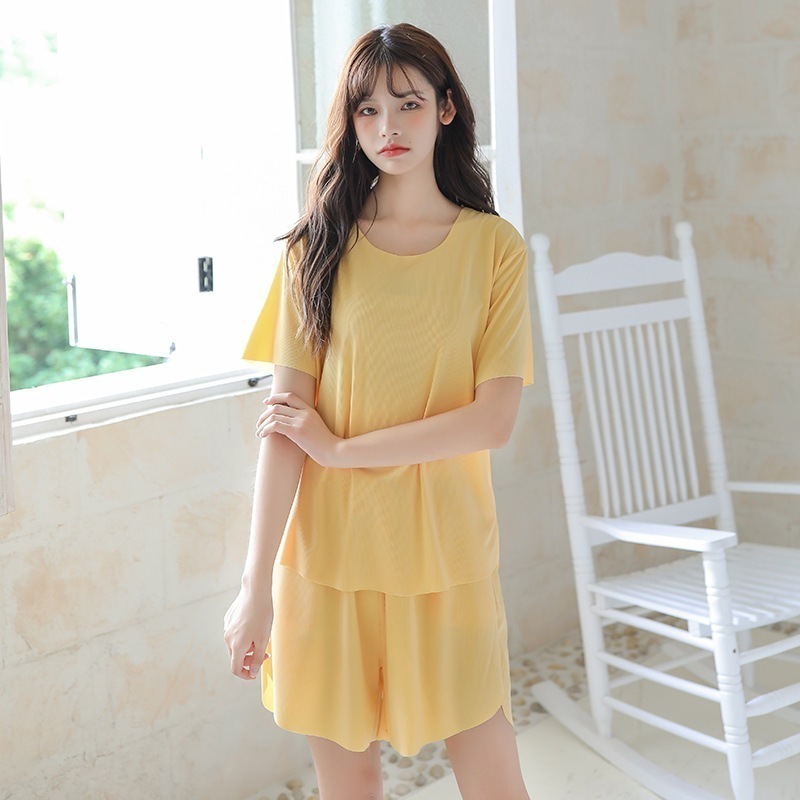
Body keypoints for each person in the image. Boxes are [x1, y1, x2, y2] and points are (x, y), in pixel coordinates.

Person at [223, 22, 534, 800]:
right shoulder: (315, 250)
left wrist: (340, 450)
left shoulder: (494, 249)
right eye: (367, 110)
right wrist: (254, 588)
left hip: (446, 556)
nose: (387, 126)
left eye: (408, 103)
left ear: (447, 109)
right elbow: (285, 432)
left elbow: (492, 421)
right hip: (327, 561)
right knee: (349, 786)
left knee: (495, 779)